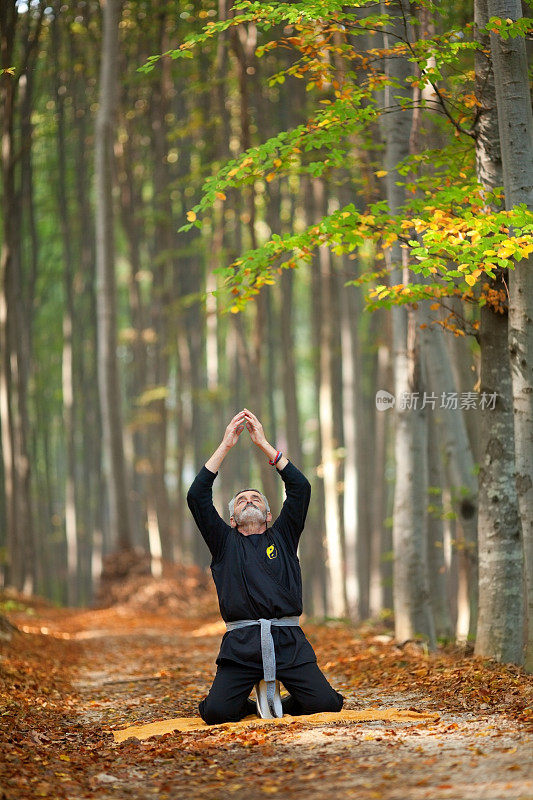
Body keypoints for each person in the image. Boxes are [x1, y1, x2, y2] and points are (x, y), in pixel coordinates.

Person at [187, 408, 344, 725]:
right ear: (231, 520)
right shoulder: (224, 542)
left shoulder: (283, 535)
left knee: (327, 703)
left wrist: (263, 445)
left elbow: (301, 488)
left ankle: (281, 700)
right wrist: (226, 445)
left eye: (256, 498)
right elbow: (197, 495)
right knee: (216, 712)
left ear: (269, 515)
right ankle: (250, 701)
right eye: (242, 500)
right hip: (241, 645)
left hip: (288, 641)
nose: (248, 500)